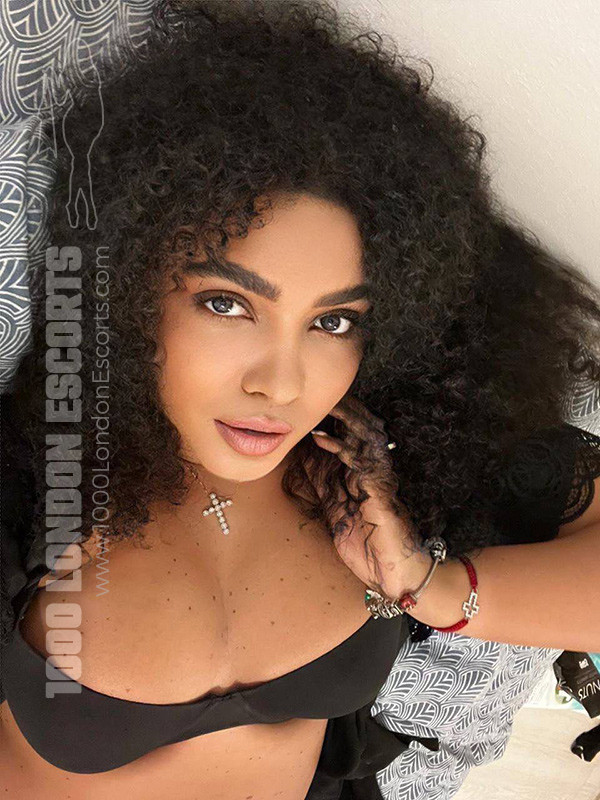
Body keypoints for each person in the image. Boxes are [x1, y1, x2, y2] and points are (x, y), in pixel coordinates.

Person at [1, 1, 600, 798]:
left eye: (334, 321)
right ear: (130, 288)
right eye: (226, 304)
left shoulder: (375, 470)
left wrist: (427, 584)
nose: (282, 386)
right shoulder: (40, 472)